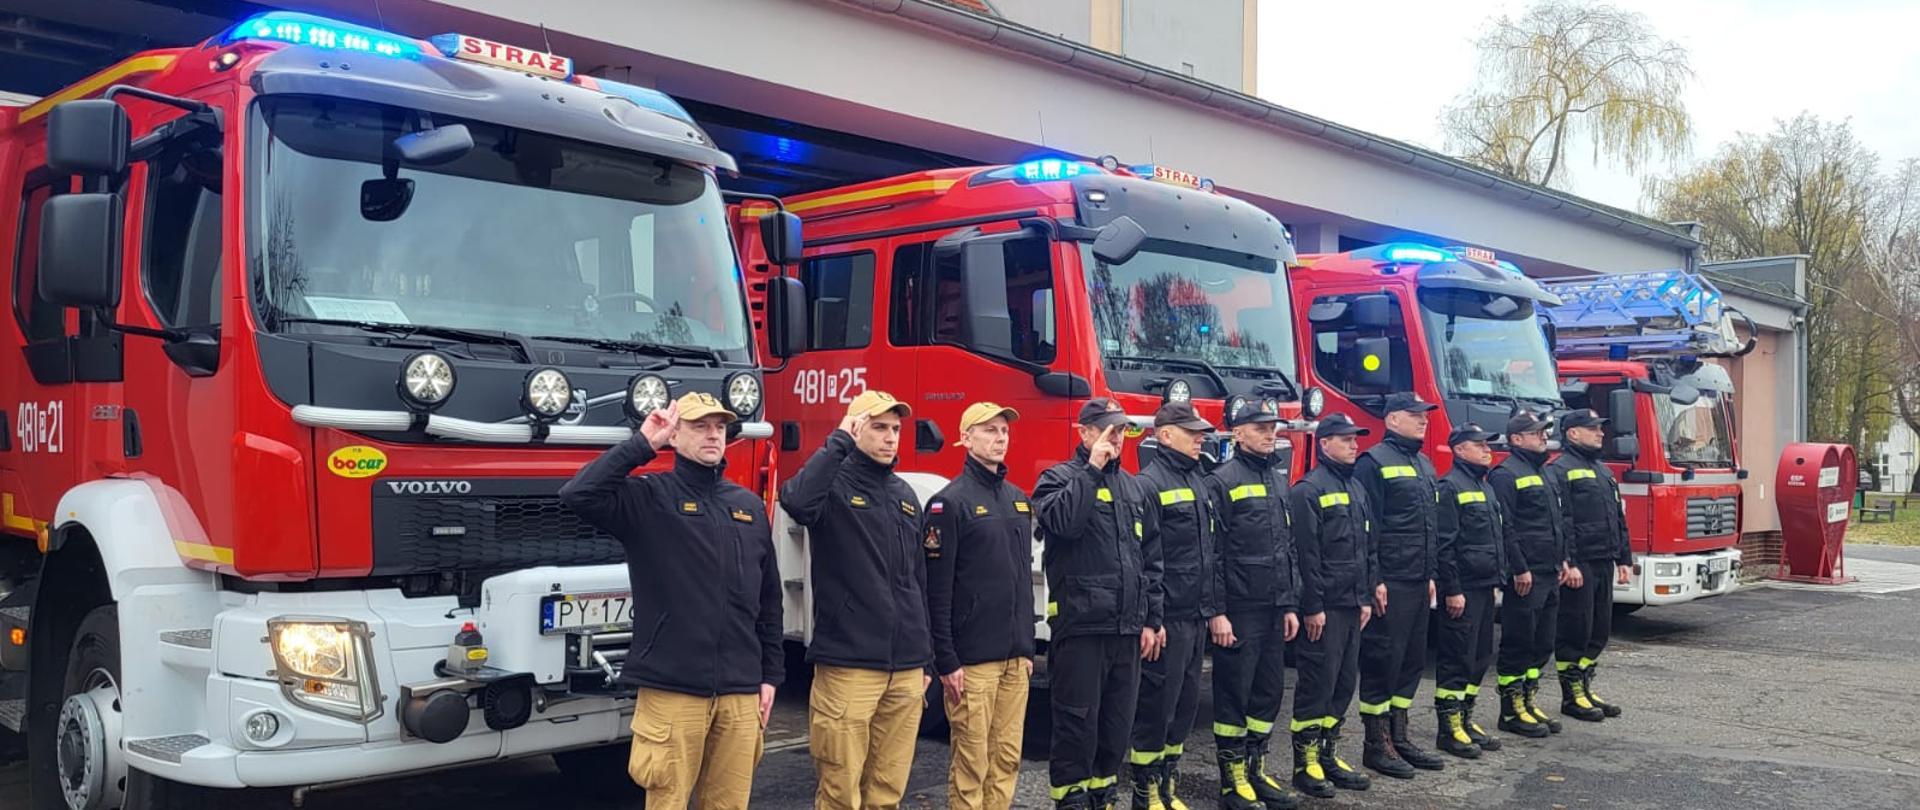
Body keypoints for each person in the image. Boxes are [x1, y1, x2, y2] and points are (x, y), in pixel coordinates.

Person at [558, 392, 783, 810]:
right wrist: (642, 444)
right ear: (674, 436)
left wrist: (770, 675)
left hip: (739, 690)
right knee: (667, 800)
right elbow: (579, 494)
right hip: (674, 689)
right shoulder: (648, 499)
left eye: (719, 427)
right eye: (699, 426)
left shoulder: (748, 507)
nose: (713, 435)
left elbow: (768, 599)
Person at [777, 390, 933, 810]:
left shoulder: (904, 494)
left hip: (905, 667)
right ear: (856, 427)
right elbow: (795, 500)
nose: (890, 438)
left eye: (896, 429)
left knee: (886, 791)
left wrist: (926, 658)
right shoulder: (832, 486)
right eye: (879, 427)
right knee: (839, 790)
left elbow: (918, 580)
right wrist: (839, 441)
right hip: (848, 665)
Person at [1034, 398, 1166, 810]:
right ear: (1085, 432)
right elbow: (1064, 523)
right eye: (1108, 430)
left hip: (1127, 629)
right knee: (1077, 725)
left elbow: (1151, 559)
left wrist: (1152, 619)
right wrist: (1091, 469)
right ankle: (1071, 801)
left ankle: (1103, 796)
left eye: (1122, 430)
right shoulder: (1056, 479)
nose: (1117, 438)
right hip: (1081, 627)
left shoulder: (1134, 487)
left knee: (1115, 726)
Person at [924, 402, 1037, 810]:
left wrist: (1026, 647)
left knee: (1006, 758)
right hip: (972, 662)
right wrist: (946, 659)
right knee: (971, 761)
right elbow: (937, 590)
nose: (999, 438)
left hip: (1013, 659)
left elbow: (1022, 581)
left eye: (1004, 430)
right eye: (988, 430)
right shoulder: (948, 503)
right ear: (966, 438)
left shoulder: (1018, 501)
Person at [1204, 400, 1301, 810]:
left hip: (1274, 607)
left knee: (1268, 693)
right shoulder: (1221, 481)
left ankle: (1256, 768)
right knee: (1233, 696)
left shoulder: (1279, 480)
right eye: (1260, 428)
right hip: (1239, 610)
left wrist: (1290, 604)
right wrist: (1218, 612)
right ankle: (1232, 781)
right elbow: (1213, 554)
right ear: (1237, 433)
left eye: (1273, 428)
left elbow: (1288, 549)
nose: (1269, 434)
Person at [1131, 400, 1224, 810]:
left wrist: (1213, 608)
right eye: (1192, 432)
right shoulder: (1148, 484)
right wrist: (1153, 617)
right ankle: (1144, 790)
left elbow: (1211, 553)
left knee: (1185, 708)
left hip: (1196, 616)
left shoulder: (1200, 480)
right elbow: (1145, 558)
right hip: (1168, 618)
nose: (1200, 437)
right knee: (1157, 708)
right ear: (1165, 435)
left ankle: (1168, 785)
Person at [1351, 393, 1445, 778]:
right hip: (1391, 579)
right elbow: (1366, 526)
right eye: (1415, 415)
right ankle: (1376, 744)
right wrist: (1375, 579)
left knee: (1410, 661)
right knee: (1382, 661)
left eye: (1425, 415)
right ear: (1391, 420)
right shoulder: (1372, 463)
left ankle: (1399, 735)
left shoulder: (1423, 462)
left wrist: (1432, 573)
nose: (1423, 421)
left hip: (1419, 578)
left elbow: (1429, 524)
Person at [1287, 413, 1376, 800]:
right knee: (1317, 684)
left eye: (1355, 439)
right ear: (1324, 444)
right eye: (1345, 439)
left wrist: (1367, 596)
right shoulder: (1308, 490)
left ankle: (1328, 752)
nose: (1354, 445)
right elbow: (1306, 555)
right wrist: (1313, 605)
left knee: (1342, 684)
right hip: (1325, 606)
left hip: (1353, 603)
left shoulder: (1357, 487)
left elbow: (1367, 548)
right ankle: (1305, 762)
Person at [1488, 410, 1571, 739]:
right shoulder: (1505, 474)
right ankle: (1510, 711)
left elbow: (1556, 523)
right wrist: (1519, 568)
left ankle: (1528, 700)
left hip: (1550, 572)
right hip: (1526, 576)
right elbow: (1506, 527)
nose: (1542, 437)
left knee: (1542, 643)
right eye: (1535, 433)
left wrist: (1563, 559)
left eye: (1543, 432)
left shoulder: (1546, 473)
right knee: (1519, 642)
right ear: (1516, 439)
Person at [1547, 409, 1634, 722]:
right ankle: (1571, 696)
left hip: (1603, 560)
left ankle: (1584, 686)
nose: (1600, 434)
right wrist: (1567, 562)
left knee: (1599, 629)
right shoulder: (1560, 469)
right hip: (1579, 564)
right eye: (1593, 429)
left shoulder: (1602, 470)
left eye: (1600, 429)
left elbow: (1617, 517)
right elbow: (1562, 521)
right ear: (1573, 433)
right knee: (1575, 629)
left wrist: (1624, 558)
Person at [1430, 423, 1508, 760]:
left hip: (1483, 586)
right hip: (1461, 588)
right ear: (1460, 450)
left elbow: (1494, 538)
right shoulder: (1450, 487)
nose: (1486, 450)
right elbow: (1445, 545)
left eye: (1486, 444)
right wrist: (1453, 589)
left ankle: (1466, 717)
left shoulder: (1485, 486)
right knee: (1456, 658)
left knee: (1478, 657)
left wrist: (1495, 582)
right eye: (1479, 445)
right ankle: (1449, 730)